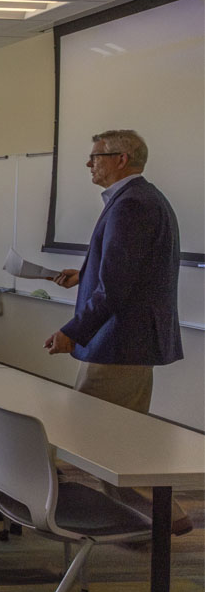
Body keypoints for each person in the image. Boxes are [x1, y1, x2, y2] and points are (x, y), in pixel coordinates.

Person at [44, 129, 188, 535]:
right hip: (123, 342)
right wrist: (84, 273)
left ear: (121, 159)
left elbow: (118, 288)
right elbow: (124, 272)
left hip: (119, 343)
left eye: (96, 157)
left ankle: (163, 519)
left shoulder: (134, 205)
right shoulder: (135, 200)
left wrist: (73, 330)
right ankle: (159, 519)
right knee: (110, 442)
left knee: (99, 440)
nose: (90, 164)